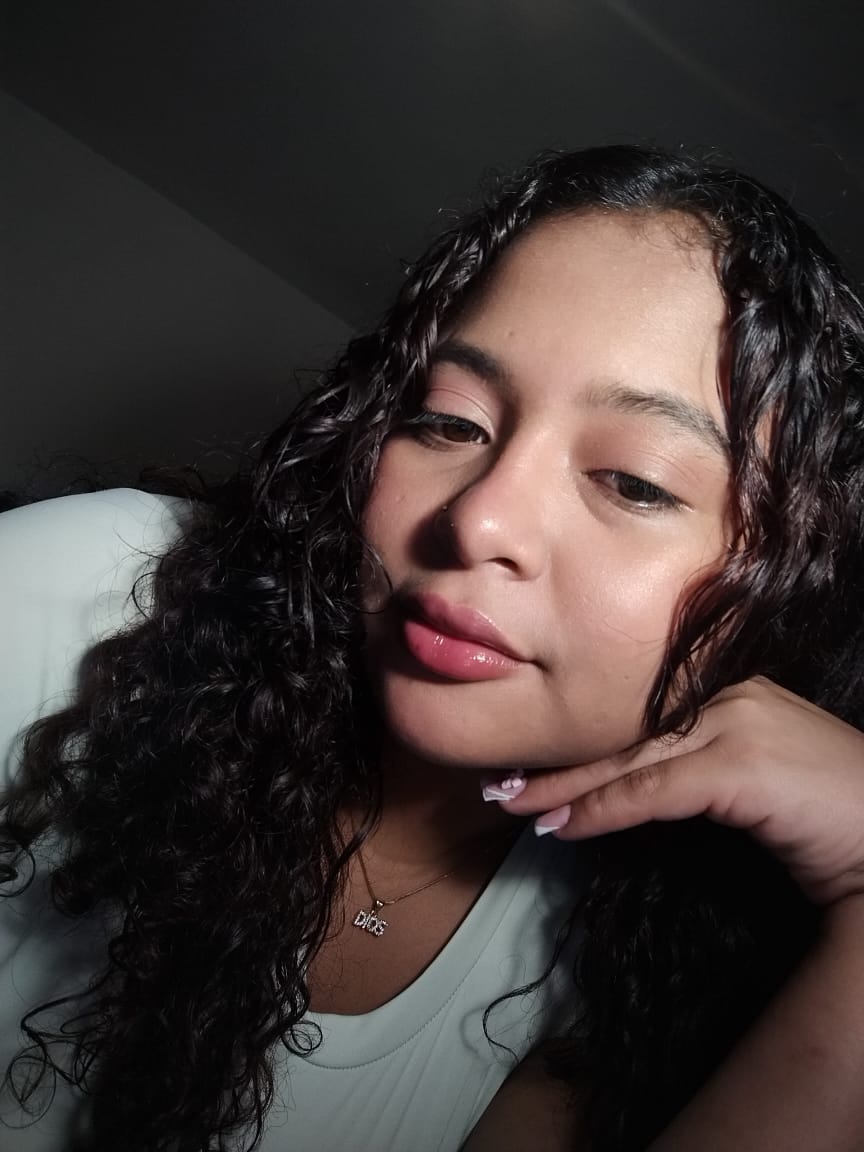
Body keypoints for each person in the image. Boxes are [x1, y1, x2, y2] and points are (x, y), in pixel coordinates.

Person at [1, 145, 863, 1152]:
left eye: (633, 481)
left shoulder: (619, 968)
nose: (479, 518)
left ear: (779, 598)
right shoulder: (86, 597)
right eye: (449, 422)